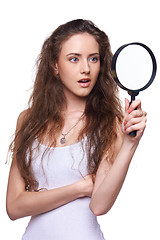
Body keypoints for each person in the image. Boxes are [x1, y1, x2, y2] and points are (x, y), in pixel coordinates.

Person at [6, 19, 147, 240]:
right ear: (55, 65)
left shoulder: (110, 123)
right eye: (74, 59)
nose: (85, 69)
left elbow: (99, 205)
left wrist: (130, 144)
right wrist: (79, 188)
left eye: (93, 59)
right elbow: (14, 207)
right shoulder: (28, 120)